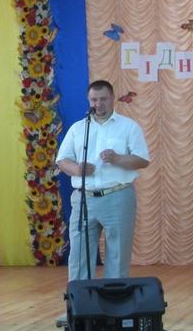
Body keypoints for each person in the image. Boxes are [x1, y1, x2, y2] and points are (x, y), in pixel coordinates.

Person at [56, 80, 149, 281]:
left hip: (118, 196)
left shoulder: (128, 127)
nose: (98, 104)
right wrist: (77, 169)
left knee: (117, 254)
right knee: (79, 255)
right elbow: (62, 160)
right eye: (94, 100)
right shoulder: (78, 128)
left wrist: (118, 159)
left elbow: (142, 160)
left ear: (113, 98)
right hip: (83, 198)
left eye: (103, 99)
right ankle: (80, 300)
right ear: (88, 100)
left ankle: (114, 300)